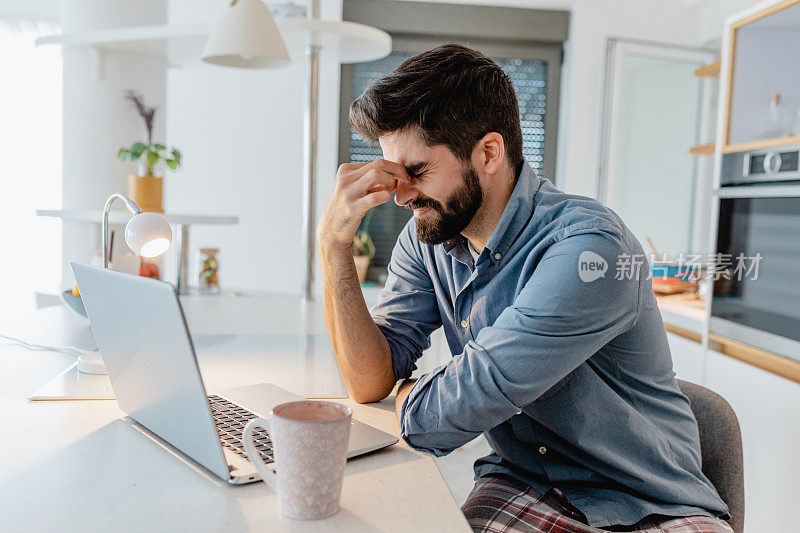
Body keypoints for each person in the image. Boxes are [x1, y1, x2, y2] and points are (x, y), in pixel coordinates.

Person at [316, 44, 732, 533]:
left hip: (651, 507)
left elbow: (465, 401)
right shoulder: (427, 237)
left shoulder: (590, 249)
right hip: (525, 482)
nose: (401, 195)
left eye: (417, 171)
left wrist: (411, 392)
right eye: (392, 172)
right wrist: (333, 246)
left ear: (489, 152)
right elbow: (368, 383)